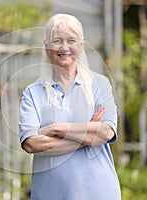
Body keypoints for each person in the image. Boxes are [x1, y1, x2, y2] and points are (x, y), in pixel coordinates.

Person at [18, 13, 121, 200]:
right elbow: (32, 144)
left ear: (81, 44)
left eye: (71, 40)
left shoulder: (100, 84)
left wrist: (56, 129)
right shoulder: (32, 93)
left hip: (98, 192)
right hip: (50, 194)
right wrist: (88, 134)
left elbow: (106, 133)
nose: (64, 47)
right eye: (57, 40)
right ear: (46, 45)